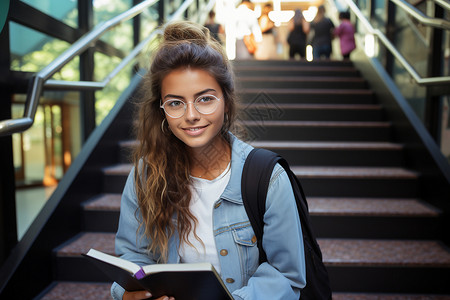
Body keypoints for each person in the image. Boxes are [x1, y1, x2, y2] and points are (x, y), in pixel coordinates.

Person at [111, 20, 306, 300]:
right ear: (162, 110)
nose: (191, 114)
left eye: (205, 99)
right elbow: (134, 258)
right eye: (176, 103)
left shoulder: (269, 178)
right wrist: (129, 293)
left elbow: (285, 275)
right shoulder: (146, 175)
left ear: (226, 100)